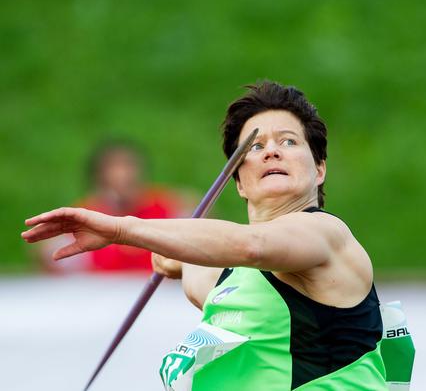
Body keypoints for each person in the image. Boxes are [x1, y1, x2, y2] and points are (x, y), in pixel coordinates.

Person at [23, 81, 388, 390]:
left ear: (319, 169)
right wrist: (176, 256)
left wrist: (122, 229)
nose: (272, 150)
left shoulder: (326, 234)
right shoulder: (224, 283)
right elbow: (208, 264)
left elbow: (250, 246)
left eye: (289, 142)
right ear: (239, 182)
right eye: (256, 147)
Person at [38, 140, 186, 273]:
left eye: (128, 166)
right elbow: (51, 256)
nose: (122, 175)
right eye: (113, 168)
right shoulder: (82, 217)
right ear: (98, 178)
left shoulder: (168, 207)